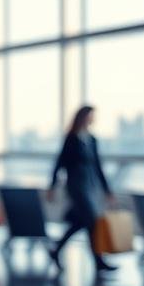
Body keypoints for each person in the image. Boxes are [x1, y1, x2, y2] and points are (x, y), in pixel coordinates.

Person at [48, 106, 117, 272]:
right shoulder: (72, 139)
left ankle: (56, 249)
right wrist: (52, 186)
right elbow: (60, 163)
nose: (92, 119)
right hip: (77, 187)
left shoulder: (92, 140)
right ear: (83, 117)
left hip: (90, 186)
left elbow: (98, 166)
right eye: (90, 116)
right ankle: (99, 261)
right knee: (92, 223)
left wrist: (107, 190)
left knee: (81, 222)